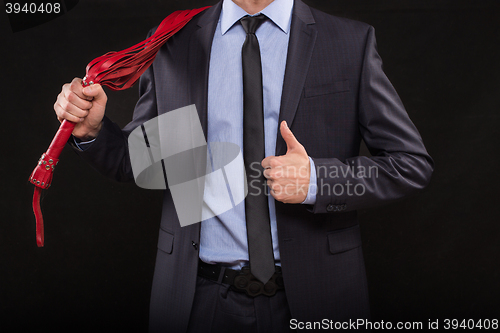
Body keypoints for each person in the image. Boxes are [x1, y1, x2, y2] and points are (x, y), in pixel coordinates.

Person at [54, 0, 433, 332]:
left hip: (319, 295)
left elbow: (409, 164)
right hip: (197, 300)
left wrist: (318, 180)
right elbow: (138, 161)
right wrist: (92, 130)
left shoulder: (349, 41)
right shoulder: (173, 41)